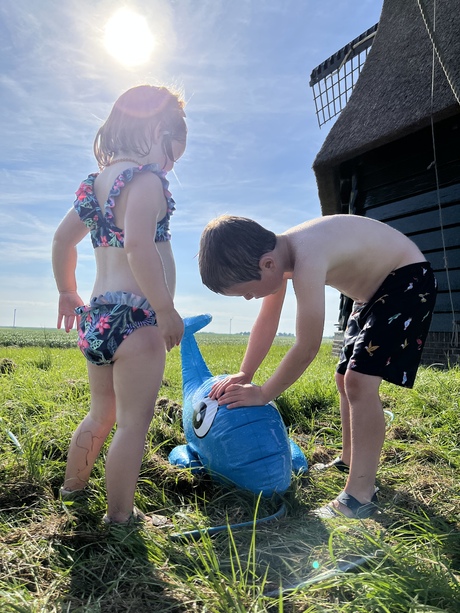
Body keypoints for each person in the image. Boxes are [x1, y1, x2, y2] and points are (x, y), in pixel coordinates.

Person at [198, 214, 437, 519]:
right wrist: (246, 373)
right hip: (368, 297)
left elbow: (307, 346)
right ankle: (350, 460)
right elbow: (267, 320)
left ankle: (360, 495)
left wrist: (263, 393)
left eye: (247, 291)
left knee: (359, 382)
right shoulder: (279, 258)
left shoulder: (306, 257)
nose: (249, 298)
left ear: (267, 264)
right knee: (343, 378)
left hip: (407, 281)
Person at [52, 85, 187, 525]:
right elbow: (139, 249)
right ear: (154, 128)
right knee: (132, 423)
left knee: (100, 411)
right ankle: (120, 517)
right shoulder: (147, 183)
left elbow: (61, 240)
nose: (169, 166)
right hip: (138, 320)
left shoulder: (94, 185)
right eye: (171, 154)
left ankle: (72, 489)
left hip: (98, 317)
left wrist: (66, 291)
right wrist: (165, 309)